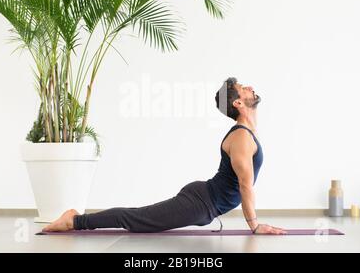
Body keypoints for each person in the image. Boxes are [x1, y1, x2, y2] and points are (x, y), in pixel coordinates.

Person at [43, 77, 286, 235]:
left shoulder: (246, 135)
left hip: (203, 201)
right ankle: (75, 220)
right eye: (244, 88)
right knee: (138, 220)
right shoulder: (242, 137)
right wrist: (254, 225)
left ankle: (76, 220)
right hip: (201, 203)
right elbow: (245, 185)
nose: (250, 87)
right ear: (238, 103)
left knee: (139, 219)